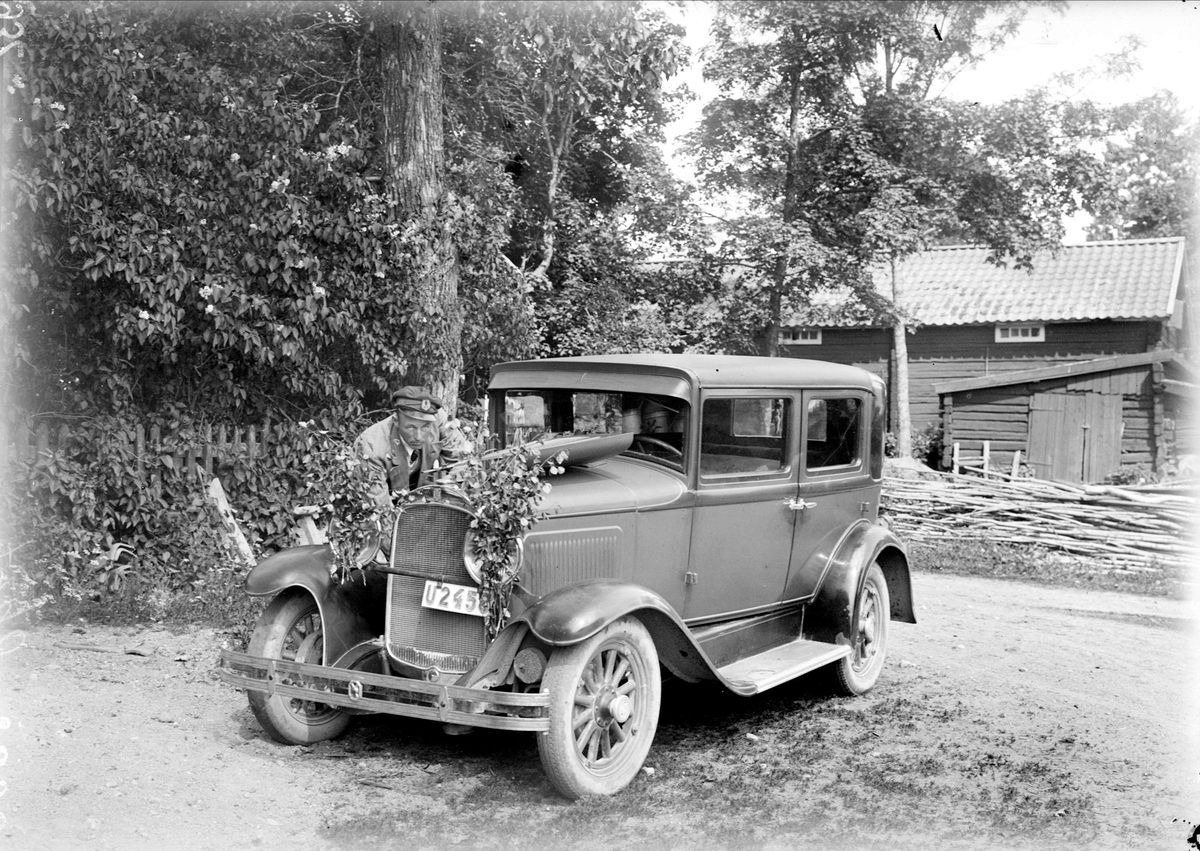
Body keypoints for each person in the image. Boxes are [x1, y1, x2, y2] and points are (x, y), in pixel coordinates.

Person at [355, 386, 467, 509]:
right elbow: (380, 511)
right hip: (378, 503)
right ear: (396, 421)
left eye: (425, 427)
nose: (418, 437)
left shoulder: (438, 419)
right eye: (411, 427)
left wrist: (452, 481)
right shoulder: (370, 447)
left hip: (413, 499)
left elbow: (467, 459)